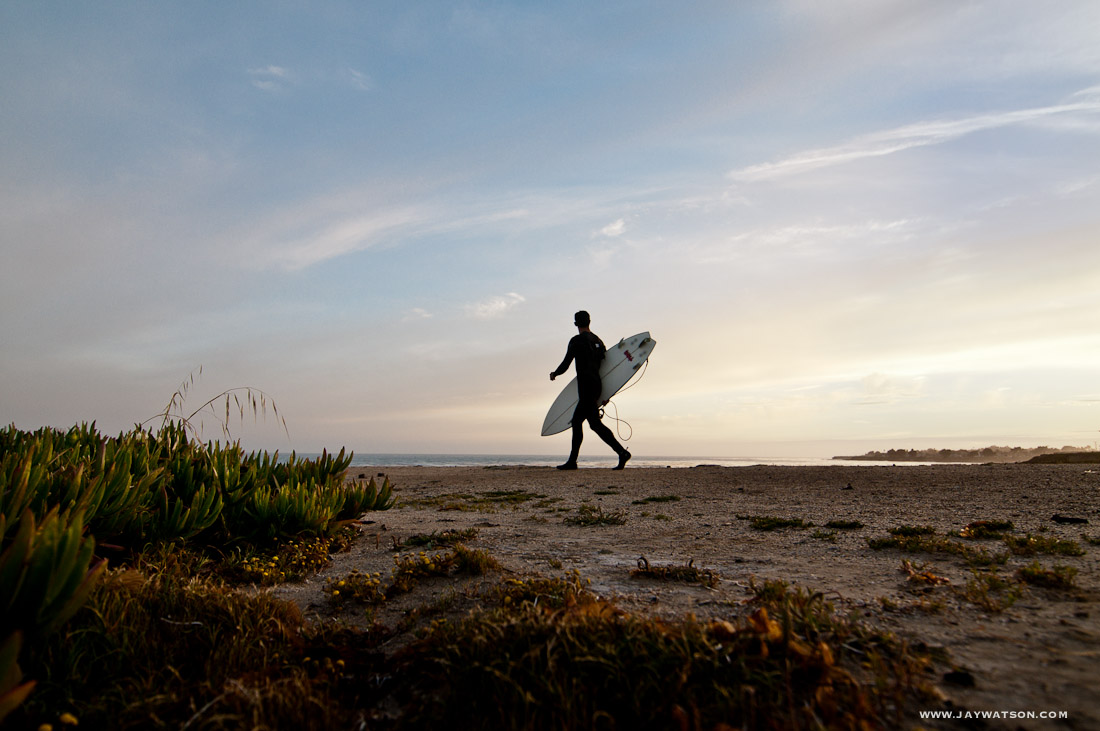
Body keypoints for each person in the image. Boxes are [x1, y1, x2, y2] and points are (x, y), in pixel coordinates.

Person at [549, 311, 631, 470]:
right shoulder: (598, 341)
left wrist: (555, 374)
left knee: (580, 422)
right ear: (589, 322)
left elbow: (566, 363)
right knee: (593, 424)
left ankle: (573, 461)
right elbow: (606, 367)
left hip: (586, 386)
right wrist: (607, 393)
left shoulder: (576, 341)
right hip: (597, 385)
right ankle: (621, 453)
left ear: (575, 324)